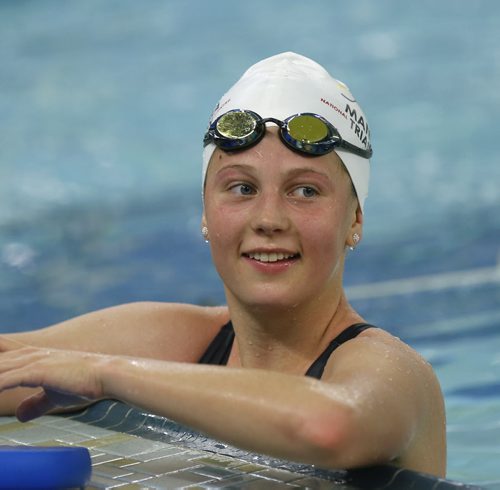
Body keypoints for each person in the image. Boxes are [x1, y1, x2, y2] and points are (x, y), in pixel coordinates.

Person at [0, 52, 446, 477]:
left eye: (305, 191)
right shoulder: (180, 340)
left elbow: (331, 428)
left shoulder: (394, 373)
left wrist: (107, 375)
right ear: (205, 213)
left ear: (355, 219)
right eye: (241, 188)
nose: (269, 219)